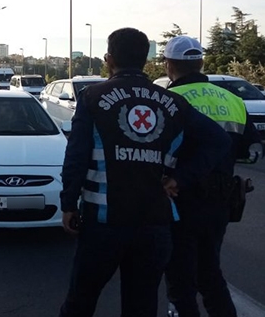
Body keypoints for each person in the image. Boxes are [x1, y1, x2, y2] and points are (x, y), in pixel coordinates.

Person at [58, 27, 231, 317]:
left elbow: (75, 157)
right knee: (142, 305)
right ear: (145, 60)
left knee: (80, 301)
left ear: (108, 59)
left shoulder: (92, 97)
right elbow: (219, 141)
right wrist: (180, 177)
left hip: (103, 222)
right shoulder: (173, 102)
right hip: (155, 223)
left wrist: (68, 205)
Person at [162, 36, 263, 317]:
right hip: (220, 201)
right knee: (211, 274)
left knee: (180, 277)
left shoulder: (171, 100)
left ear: (169, 65)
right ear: (202, 63)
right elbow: (251, 152)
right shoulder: (233, 99)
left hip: (177, 199)